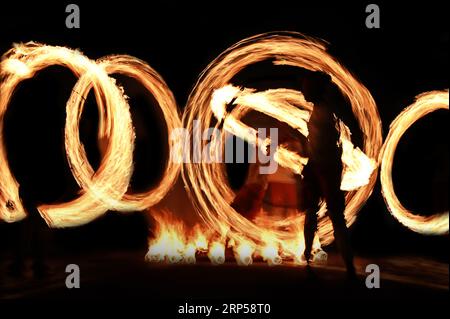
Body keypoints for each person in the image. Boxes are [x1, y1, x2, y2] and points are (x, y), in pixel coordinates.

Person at [297, 71, 356, 277]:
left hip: (325, 169)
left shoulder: (326, 111)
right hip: (319, 167)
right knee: (314, 212)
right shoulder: (321, 109)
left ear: (314, 89)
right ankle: (308, 255)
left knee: (334, 217)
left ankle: (348, 265)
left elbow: (327, 143)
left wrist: (317, 164)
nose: (302, 90)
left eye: (305, 87)